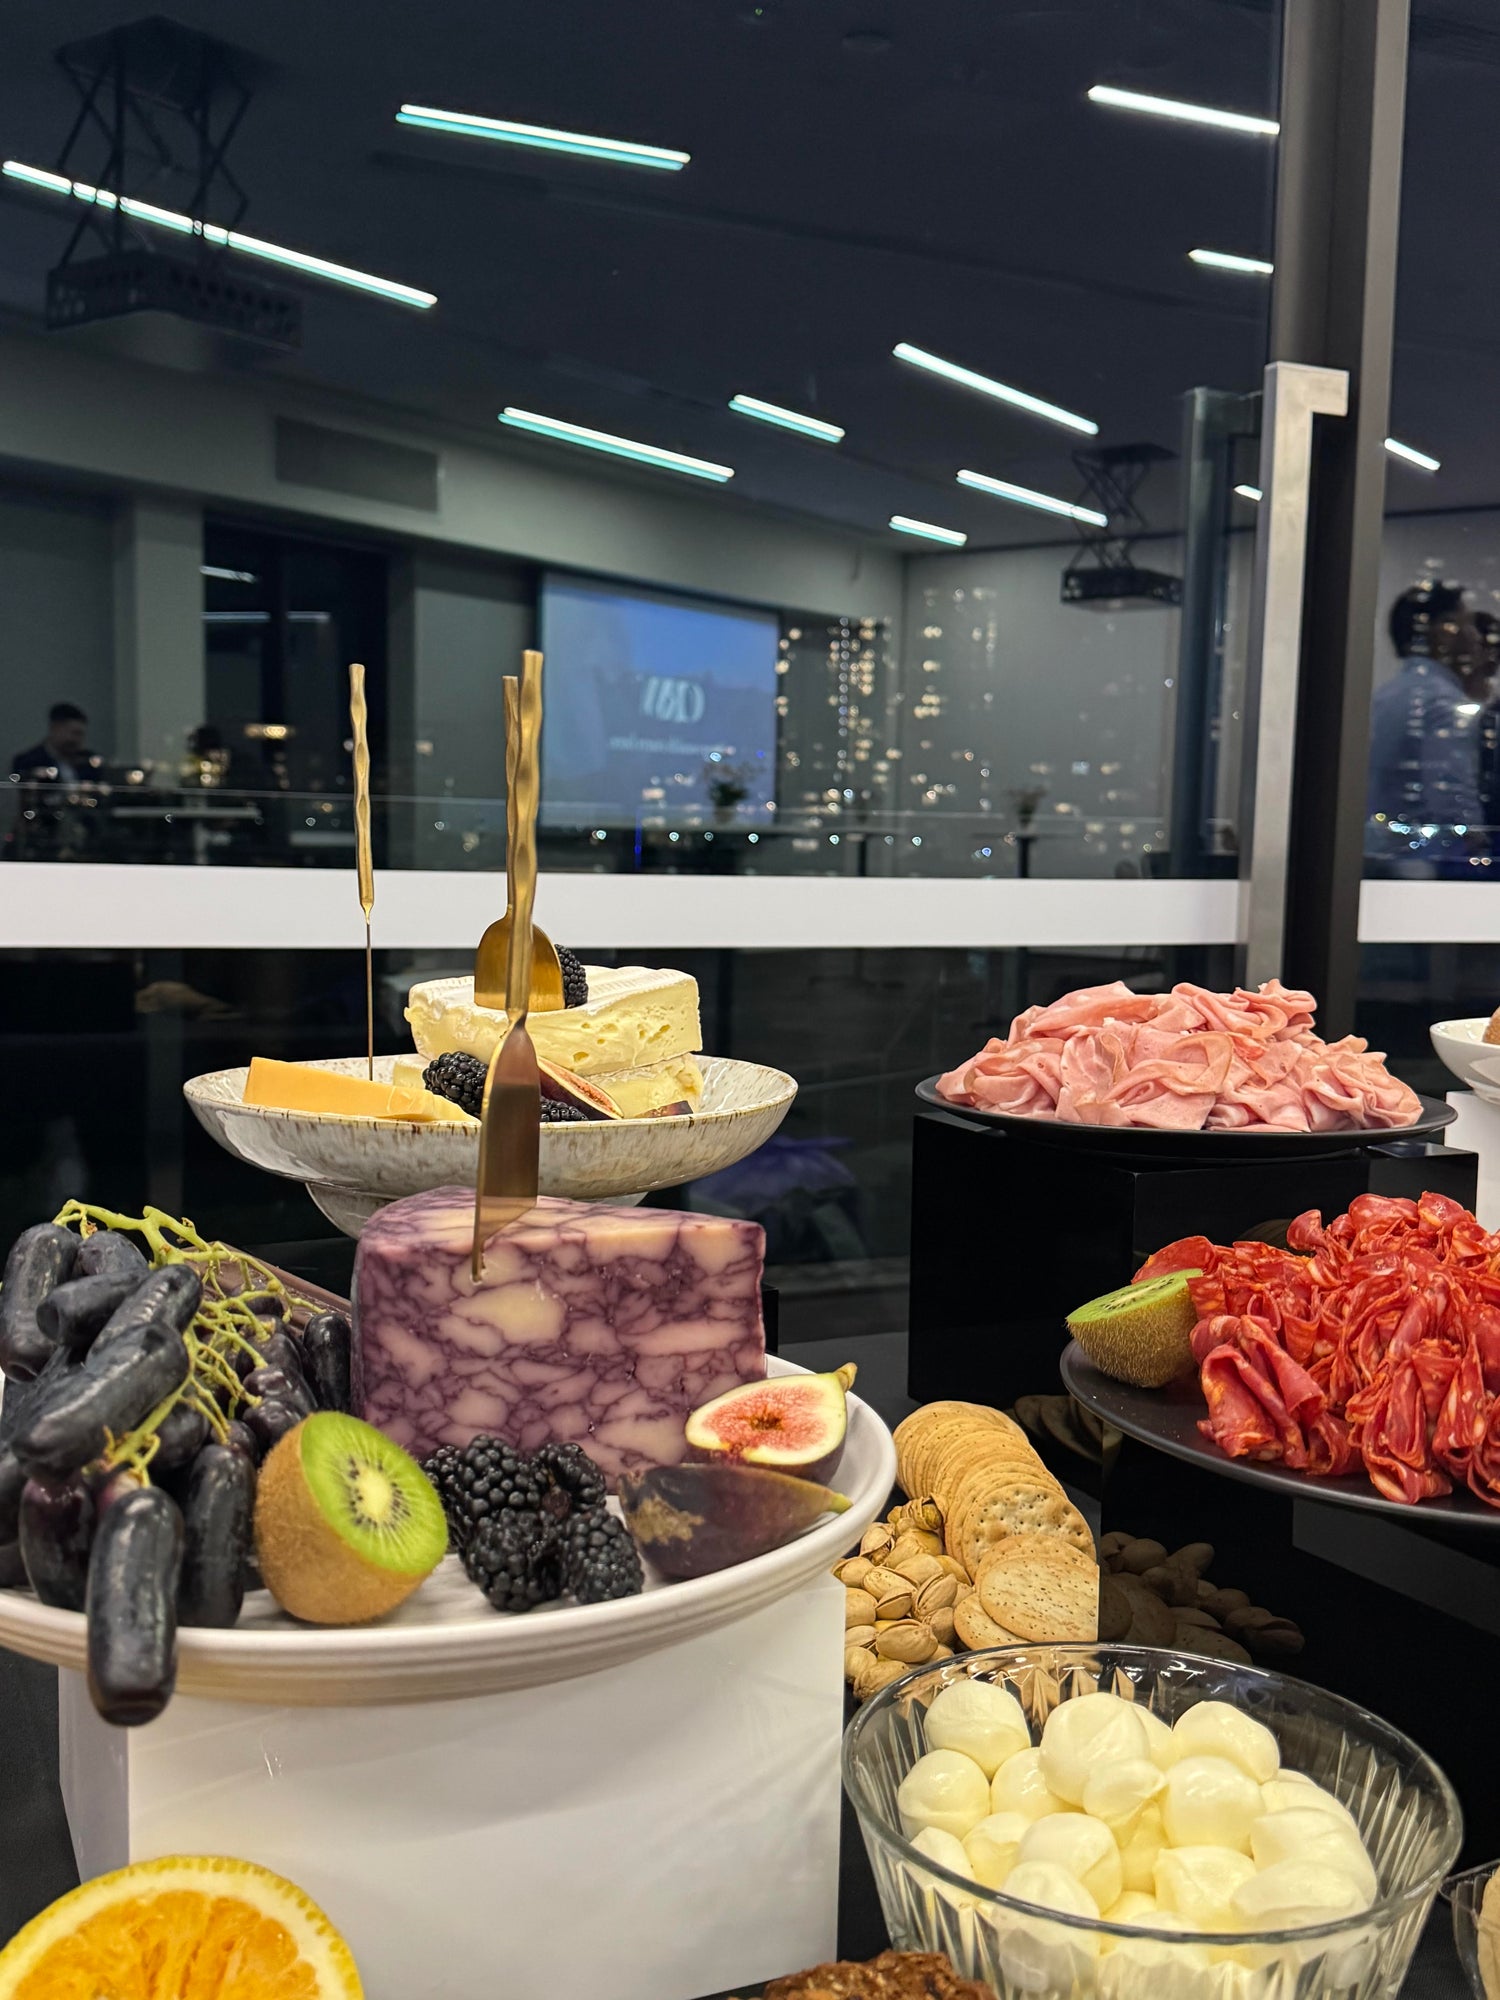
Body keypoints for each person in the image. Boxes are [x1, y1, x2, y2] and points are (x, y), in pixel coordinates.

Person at [1366, 581, 1492, 871]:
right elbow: (1451, 794)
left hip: (1378, 854)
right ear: (1443, 631)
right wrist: (1478, 850)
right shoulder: (1443, 702)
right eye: (1467, 625)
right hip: (1422, 865)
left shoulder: (1385, 696)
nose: (1476, 637)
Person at [10, 703, 95, 784]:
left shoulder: (89, 762)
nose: (76, 740)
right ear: (54, 728)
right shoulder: (28, 762)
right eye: (74, 733)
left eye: (81, 734)